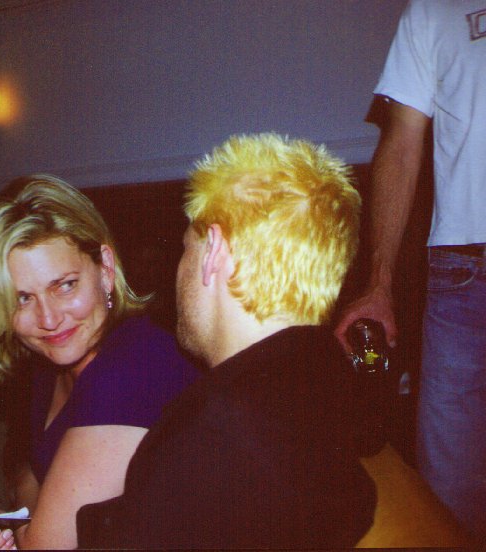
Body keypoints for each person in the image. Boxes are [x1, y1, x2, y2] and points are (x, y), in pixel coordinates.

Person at [77, 133, 377, 549]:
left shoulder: (211, 429)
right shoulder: (330, 387)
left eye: (186, 248)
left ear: (214, 252)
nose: (178, 270)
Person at [0, 175, 198, 549]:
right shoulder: (54, 366)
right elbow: (29, 476)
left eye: (65, 285)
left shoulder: (133, 366)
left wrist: (19, 525)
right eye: (22, 299)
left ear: (106, 269)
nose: (49, 319)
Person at [333, 1, 486, 538]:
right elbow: (400, 144)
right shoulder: (431, 10)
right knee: (448, 499)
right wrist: (378, 284)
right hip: (462, 278)